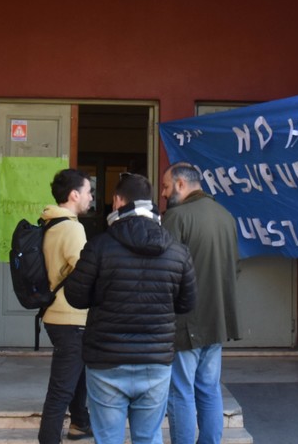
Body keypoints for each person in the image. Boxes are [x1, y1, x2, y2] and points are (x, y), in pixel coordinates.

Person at [63, 173, 196, 444]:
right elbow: (187, 303)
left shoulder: (99, 246)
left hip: (106, 361)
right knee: (148, 436)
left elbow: (75, 296)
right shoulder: (177, 251)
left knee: (108, 438)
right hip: (156, 360)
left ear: (117, 201)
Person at [160, 163, 240, 444]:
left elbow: (165, 271)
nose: (163, 193)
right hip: (217, 321)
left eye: (166, 186)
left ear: (181, 184)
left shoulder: (176, 216)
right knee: (209, 388)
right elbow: (235, 268)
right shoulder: (226, 216)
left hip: (185, 322)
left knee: (180, 391)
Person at [37, 169, 94, 443]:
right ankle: (48, 438)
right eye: (88, 192)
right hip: (69, 316)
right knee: (61, 388)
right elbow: (84, 272)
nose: (91, 197)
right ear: (74, 195)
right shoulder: (72, 228)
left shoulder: (51, 222)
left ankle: (80, 423)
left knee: (77, 374)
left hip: (57, 313)